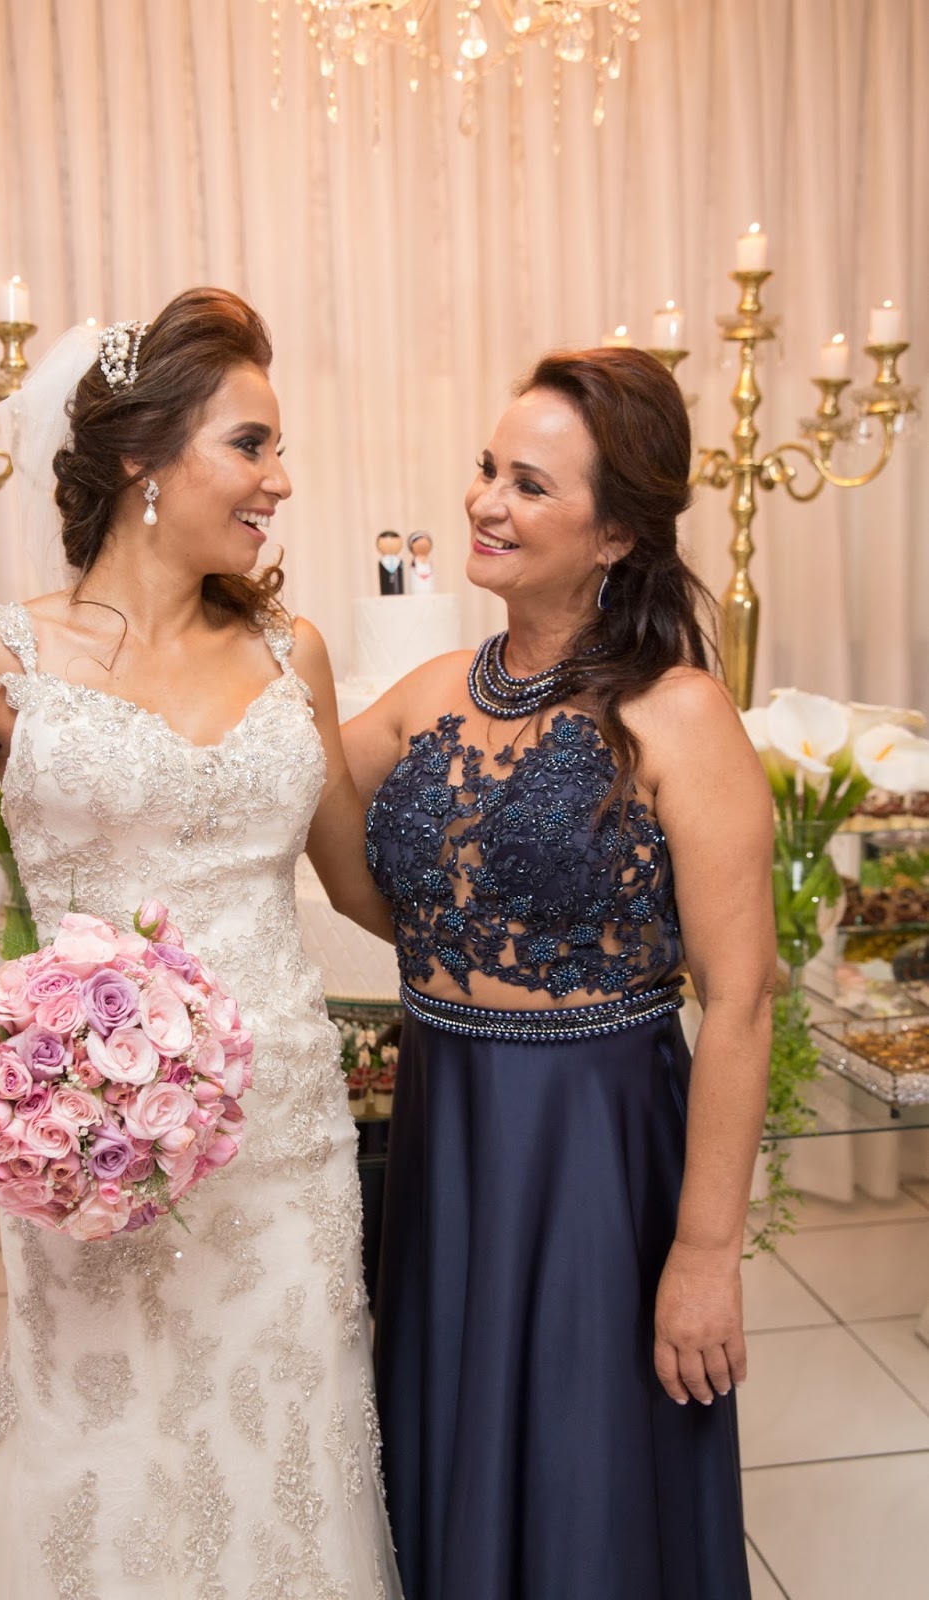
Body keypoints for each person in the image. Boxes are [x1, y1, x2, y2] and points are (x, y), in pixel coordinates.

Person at [0, 289, 402, 1598]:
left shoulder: (291, 653)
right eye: (250, 444)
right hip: (97, 1147)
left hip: (285, 1146)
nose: (281, 479)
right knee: (112, 1462)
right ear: (140, 457)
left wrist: (542, 957)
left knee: (287, 1455)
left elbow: (358, 887)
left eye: (276, 448)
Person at [342, 346, 775, 1600]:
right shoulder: (429, 696)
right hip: (445, 1124)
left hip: (595, 1149)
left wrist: (704, 1251)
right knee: (450, 1454)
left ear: (616, 533)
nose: (485, 501)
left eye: (529, 485)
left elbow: (740, 999)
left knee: (588, 1478)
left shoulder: (678, 714)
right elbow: (320, 837)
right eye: (489, 469)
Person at [376, 529, 405, 595]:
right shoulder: (382, 562)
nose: (390, 545)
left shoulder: (399, 561)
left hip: (399, 591)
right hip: (385, 591)